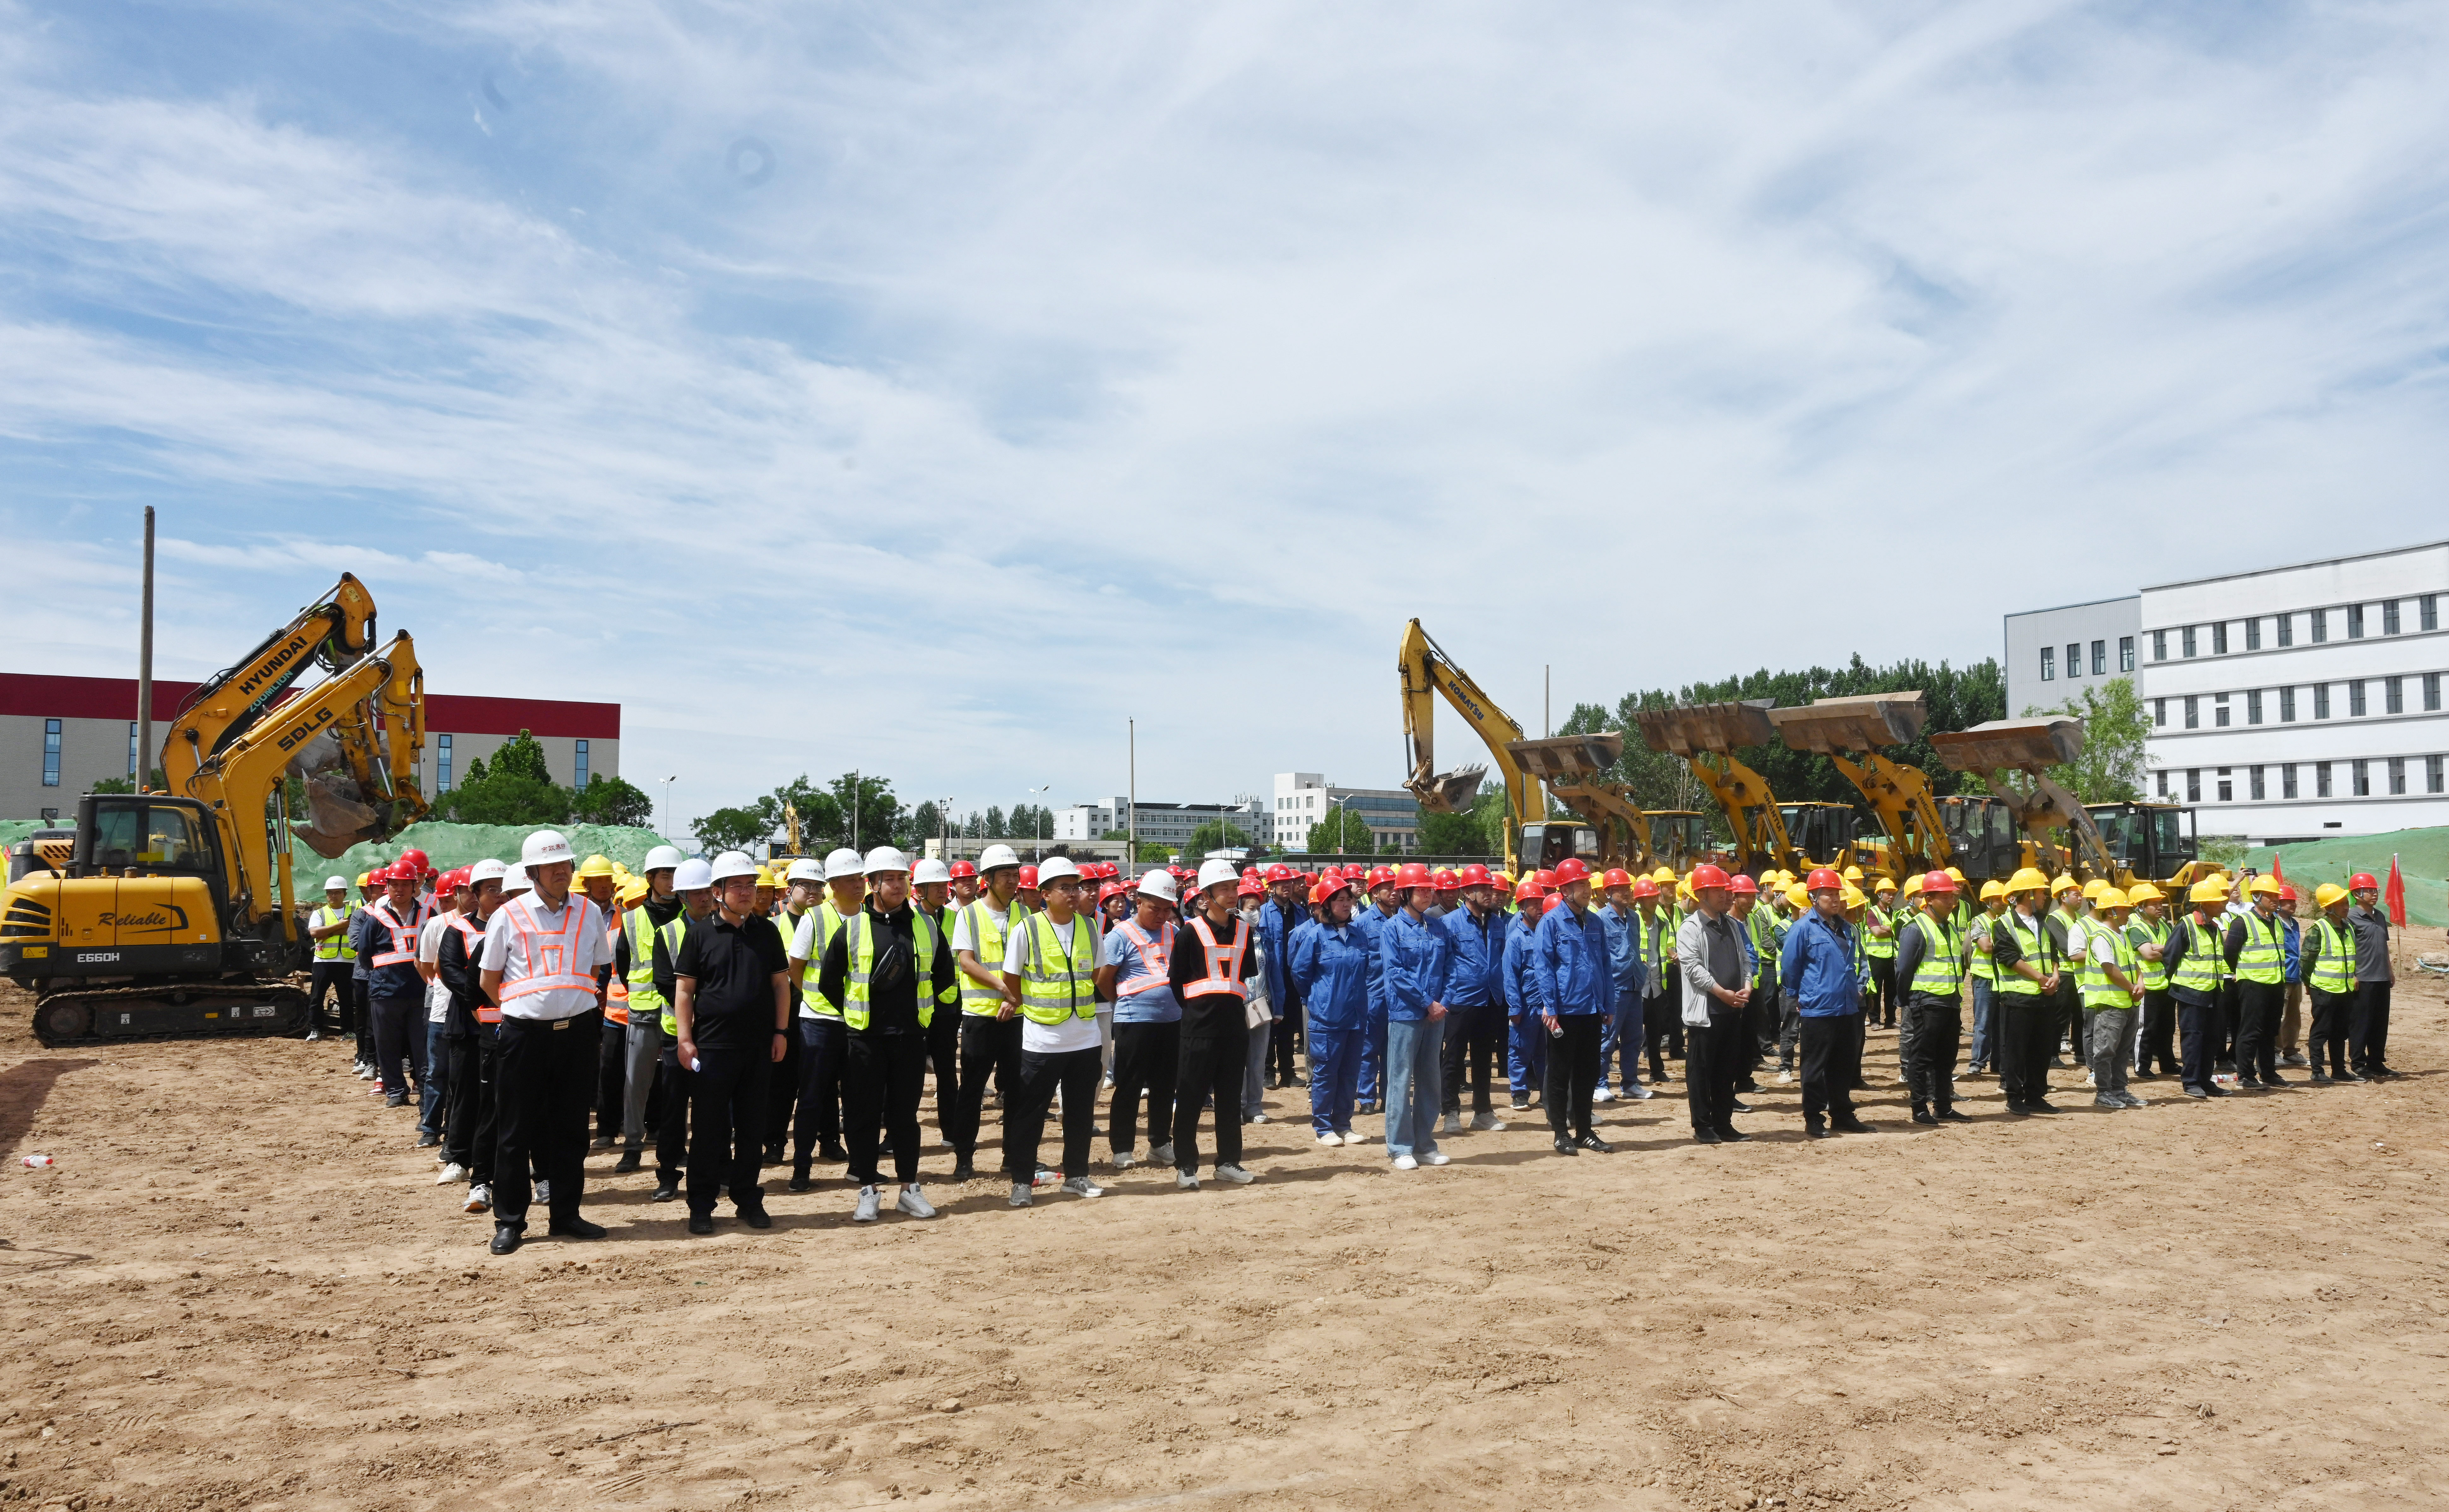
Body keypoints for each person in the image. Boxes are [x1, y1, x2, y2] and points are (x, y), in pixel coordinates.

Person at [477, 830, 614, 1255]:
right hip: (523, 1037)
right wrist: (529, 1012)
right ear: (533, 871)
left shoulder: (590, 913)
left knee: (572, 1129)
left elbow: (600, 970)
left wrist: (572, 1007)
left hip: (575, 1034)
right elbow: (488, 980)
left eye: (567, 866)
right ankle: (511, 1221)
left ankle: (566, 1215)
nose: (562, 873)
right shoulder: (510, 915)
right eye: (554, 867)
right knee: (515, 1129)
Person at [814, 847, 958, 1222]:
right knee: (862, 1116)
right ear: (872, 884)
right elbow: (829, 982)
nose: (897, 885)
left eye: (902, 878)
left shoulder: (926, 926)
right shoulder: (853, 928)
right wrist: (854, 1016)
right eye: (889, 879)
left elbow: (944, 975)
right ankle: (867, 1189)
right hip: (864, 1040)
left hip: (910, 1038)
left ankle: (909, 1189)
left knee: (905, 1116)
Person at [669, 852, 791, 1234]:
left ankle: (747, 1199)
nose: (746, 891)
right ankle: (701, 1205)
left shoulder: (767, 932)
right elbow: (685, 990)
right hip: (712, 1049)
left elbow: (780, 985)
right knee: (709, 1130)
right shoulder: (700, 933)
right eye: (736, 885)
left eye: (750, 885)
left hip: (757, 1048)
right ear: (717, 892)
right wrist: (684, 1039)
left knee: (753, 1128)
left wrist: (781, 1032)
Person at [998, 855, 1106, 1206]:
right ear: (1045, 893)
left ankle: (1076, 1174)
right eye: (1065, 888)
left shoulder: (1090, 927)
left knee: (1079, 1112)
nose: (1074, 894)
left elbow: (1097, 974)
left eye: (1076, 887)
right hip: (1043, 1040)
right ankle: (1021, 1180)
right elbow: (1011, 978)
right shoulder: (1026, 929)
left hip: (1085, 1037)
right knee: (1030, 1113)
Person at [1166, 859, 1262, 1190]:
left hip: (1234, 1027)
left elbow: (1244, 976)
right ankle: (1187, 1166)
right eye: (1224, 888)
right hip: (1198, 1028)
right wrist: (1196, 1014)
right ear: (1206, 895)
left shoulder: (1245, 931)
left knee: (1229, 1097)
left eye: (1234, 887)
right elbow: (1177, 980)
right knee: (1191, 1097)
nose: (1232, 893)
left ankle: (1228, 1162)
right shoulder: (1190, 932)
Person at [784, 848, 867, 1190]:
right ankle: (801, 1168)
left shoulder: (870, 917)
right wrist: (816, 999)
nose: (859, 886)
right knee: (812, 1097)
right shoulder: (814, 918)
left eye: (861, 879)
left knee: (860, 1098)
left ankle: (861, 1166)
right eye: (850, 880)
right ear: (833, 884)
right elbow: (795, 967)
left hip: (859, 1022)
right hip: (819, 1021)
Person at [946, 844, 1028, 1184]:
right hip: (980, 1016)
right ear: (988, 879)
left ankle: (1013, 1155)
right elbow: (966, 961)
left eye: (1015, 875)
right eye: (1005, 876)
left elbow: (1031, 964)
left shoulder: (1024, 916)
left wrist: (1015, 997)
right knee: (972, 1090)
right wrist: (1003, 989)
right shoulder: (969, 914)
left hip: (1018, 1016)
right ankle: (964, 1156)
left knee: (1016, 1089)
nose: (1013, 881)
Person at [1098, 869, 1180, 1168]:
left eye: (1166, 909)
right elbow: (1104, 979)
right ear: (1139, 902)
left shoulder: (1175, 934)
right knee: (1129, 1085)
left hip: (1172, 1022)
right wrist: (1124, 1003)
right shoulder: (1120, 936)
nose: (1160, 915)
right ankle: (1122, 1148)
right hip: (1134, 1022)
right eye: (1154, 908)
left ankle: (1160, 1143)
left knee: (1164, 1086)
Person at [436, 861, 506, 1206]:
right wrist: (478, 1003)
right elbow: (452, 972)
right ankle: (459, 1158)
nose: (499, 894)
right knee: (466, 1093)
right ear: (475, 895)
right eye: (490, 888)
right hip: (468, 1025)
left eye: (502, 887)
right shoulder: (458, 930)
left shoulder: (518, 926)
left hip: (510, 1026)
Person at [648, 859, 718, 1202]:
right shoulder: (668, 933)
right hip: (677, 1035)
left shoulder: (727, 928)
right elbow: (665, 983)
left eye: (709, 891)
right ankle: (668, 1173)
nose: (705, 898)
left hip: (717, 1035)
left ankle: (714, 1170)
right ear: (683, 897)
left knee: (715, 1109)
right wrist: (710, 1001)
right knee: (674, 1108)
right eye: (698, 892)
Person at [1532, 858, 1612, 1155]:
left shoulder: (1595, 922)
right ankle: (1560, 1133)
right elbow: (1544, 967)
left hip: (1592, 1010)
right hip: (1564, 1011)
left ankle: (1584, 1132)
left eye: (1588, 884)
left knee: (1588, 1072)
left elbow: (1605, 965)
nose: (1588, 890)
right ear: (1565, 889)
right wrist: (1551, 1008)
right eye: (1581, 885)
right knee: (1560, 1072)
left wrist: (1608, 1003)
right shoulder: (1551, 923)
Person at [1777, 869, 1863, 1138]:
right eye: (1829, 894)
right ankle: (1814, 1118)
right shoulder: (1802, 929)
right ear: (1814, 897)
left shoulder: (1848, 929)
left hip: (1847, 1007)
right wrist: (1799, 997)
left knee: (1843, 1064)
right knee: (1814, 1067)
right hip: (1818, 1007)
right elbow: (1790, 967)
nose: (1835, 899)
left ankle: (1842, 1114)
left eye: (1837, 893)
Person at [1291, 871, 1373, 1146]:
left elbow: (1366, 972)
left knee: (1351, 1073)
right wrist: (1320, 1000)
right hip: (1327, 1019)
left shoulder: (1359, 936)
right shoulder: (1315, 937)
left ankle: (1344, 1124)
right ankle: (1323, 1128)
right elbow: (1301, 975)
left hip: (1356, 1017)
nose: (1346, 904)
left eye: (1349, 899)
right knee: (1326, 1073)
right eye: (1339, 900)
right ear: (1326, 904)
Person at [1379, 862, 1451, 1170]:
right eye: (1421, 890)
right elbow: (1395, 973)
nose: (1428, 894)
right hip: (1406, 1013)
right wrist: (1426, 1003)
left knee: (1430, 1080)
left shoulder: (1438, 927)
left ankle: (1424, 1144)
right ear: (1405, 893)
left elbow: (1451, 966)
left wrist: (1443, 1001)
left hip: (1436, 1015)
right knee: (1399, 1080)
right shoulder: (1391, 929)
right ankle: (1399, 1147)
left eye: (1429, 889)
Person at [1675, 864, 1754, 1144]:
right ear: (1702, 894)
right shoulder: (1690, 928)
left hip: (1732, 1009)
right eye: (1719, 890)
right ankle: (1703, 1125)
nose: (1725, 895)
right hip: (1706, 1011)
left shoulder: (1733, 925)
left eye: (1725, 890)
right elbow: (1693, 968)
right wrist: (1722, 993)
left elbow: (1745, 960)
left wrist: (1747, 986)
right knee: (1701, 1071)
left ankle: (1724, 1124)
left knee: (1726, 1069)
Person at [352, 864, 434, 1113]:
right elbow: (365, 954)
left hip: (421, 991)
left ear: (415, 887)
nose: (400, 889)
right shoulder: (375, 919)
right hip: (385, 992)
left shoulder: (428, 915)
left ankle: (424, 1087)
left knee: (422, 1045)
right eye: (395, 885)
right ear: (387, 888)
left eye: (405, 884)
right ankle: (396, 1091)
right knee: (387, 1045)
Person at [1892, 870, 1969, 1124]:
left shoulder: (1948, 927)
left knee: (1947, 1058)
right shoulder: (1916, 928)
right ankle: (1919, 1108)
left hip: (1950, 1001)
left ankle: (1943, 1106)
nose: (1952, 902)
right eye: (1946, 897)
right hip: (1927, 1002)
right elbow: (1904, 969)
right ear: (1930, 898)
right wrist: (1906, 999)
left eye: (1953, 897)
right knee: (1922, 1056)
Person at [1437, 863, 1509, 1133]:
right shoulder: (1449, 924)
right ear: (1467, 892)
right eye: (1483, 889)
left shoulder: (1499, 923)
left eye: (1490, 889)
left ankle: (1483, 1111)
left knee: (1482, 1058)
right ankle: (1451, 1112)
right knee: (1454, 1058)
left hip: (1491, 999)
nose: (1490, 894)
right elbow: (1443, 964)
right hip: (1460, 999)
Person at [1987, 868, 2062, 1114]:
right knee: (2016, 1051)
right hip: (2018, 998)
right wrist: (2042, 978)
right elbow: (2008, 958)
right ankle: (2014, 1097)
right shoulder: (2004, 925)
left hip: (2045, 997)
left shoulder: (2044, 922)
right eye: (2041, 892)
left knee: (2041, 1050)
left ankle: (2035, 1096)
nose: (2045, 896)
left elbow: (2053, 953)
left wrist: (2055, 976)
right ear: (2029, 894)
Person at [2161, 878, 2233, 1100]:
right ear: (2204, 904)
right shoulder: (2186, 926)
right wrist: (2178, 986)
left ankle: (2205, 1080)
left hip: (2212, 992)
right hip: (2191, 994)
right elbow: (2170, 958)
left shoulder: (2213, 927)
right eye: (2218, 902)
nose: (2223, 905)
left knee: (2212, 1039)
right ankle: (2191, 1082)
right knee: (2193, 1039)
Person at [2078, 887, 2146, 1109]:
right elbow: (2109, 968)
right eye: (2124, 909)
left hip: (2127, 1001)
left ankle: (2119, 1090)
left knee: (2122, 1051)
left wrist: (2140, 982)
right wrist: (2131, 987)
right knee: (2106, 1050)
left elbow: (2133, 963)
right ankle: (2104, 1092)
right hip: (2111, 1003)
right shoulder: (2101, 936)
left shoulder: (2122, 934)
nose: (2128, 913)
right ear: (2112, 912)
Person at [2224, 875, 2290, 1090]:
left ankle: (2269, 1073)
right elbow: (2230, 952)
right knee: (2250, 1030)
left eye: (2276, 896)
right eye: (2270, 896)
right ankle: (2245, 1075)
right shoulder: (2242, 921)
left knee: (2270, 1031)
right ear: (2257, 897)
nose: (2275, 900)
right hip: (2253, 984)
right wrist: (2240, 972)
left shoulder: (2277, 922)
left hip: (2276, 984)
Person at [1351, 867, 1402, 1116]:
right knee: (1369, 1049)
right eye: (1387, 888)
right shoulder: (1362, 923)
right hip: (1373, 995)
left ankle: (1390, 1096)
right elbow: (1358, 963)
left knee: (1394, 1051)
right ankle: (1367, 1098)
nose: (1393, 892)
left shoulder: (1403, 919)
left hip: (1399, 996)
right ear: (1373, 894)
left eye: (1395, 887)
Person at [2299, 883, 2359, 1082]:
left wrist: (2354, 976)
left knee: (2341, 1032)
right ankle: (2317, 1071)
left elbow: (2351, 958)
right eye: (2341, 904)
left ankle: (2339, 1071)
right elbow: (2306, 962)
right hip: (2324, 990)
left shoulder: (2348, 927)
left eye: (2346, 903)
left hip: (2345, 989)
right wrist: (2310, 984)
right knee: (2321, 1031)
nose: (2346, 907)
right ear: (2329, 907)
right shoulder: (2318, 929)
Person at [1257, 865, 1308, 1091]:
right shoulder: (1263, 913)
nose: (1286, 887)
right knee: (1270, 1026)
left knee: (1288, 1027)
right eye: (1281, 884)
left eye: (1289, 883)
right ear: (1272, 888)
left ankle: (1287, 1073)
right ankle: (1268, 1072)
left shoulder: (1299, 912)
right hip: (1270, 977)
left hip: (1293, 978)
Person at [1501, 877, 1549, 1107]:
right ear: (1522, 907)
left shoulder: (1546, 933)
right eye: (1533, 904)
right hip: (1526, 1006)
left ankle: (1546, 1094)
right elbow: (1510, 976)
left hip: (1546, 1005)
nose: (1539, 908)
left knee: (1545, 1054)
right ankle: (1519, 1093)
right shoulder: (1516, 939)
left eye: (1541, 903)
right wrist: (1515, 1007)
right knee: (1520, 1050)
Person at [2345, 871, 2395, 1077]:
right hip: (2363, 978)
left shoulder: (2381, 916)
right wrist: (2352, 974)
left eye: (2376, 891)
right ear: (2357, 894)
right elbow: (2346, 948)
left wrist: (2390, 971)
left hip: (2382, 977)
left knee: (2380, 1023)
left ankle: (2376, 1062)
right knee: (2361, 1023)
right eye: (2370, 891)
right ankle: (2358, 1064)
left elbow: (2383, 946)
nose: (2374, 894)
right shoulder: (2350, 918)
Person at [2124, 883, 2177, 1080]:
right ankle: (2142, 1066)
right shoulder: (2137, 928)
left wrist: (2162, 949)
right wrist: (2168, 950)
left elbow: (2174, 949)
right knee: (2145, 1028)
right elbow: (2148, 954)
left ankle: (2168, 1064)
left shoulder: (2164, 925)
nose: (2160, 907)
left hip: (2166, 985)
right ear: (2141, 907)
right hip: (2148, 986)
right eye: (2154, 904)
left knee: (2167, 1028)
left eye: (2160, 903)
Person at [1633, 877, 1676, 1085]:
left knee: (1655, 1033)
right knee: (1633, 1036)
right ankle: (1631, 1075)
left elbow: (1663, 952)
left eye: (1654, 897)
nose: (1653, 900)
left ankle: (1657, 1071)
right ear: (1640, 900)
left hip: (1657, 986)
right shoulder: (1633, 921)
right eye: (1648, 898)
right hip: (1639, 987)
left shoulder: (1662, 924)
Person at [305, 875, 358, 1042]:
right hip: (324, 961)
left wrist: (327, 932)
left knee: (347, 999)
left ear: (345, 894)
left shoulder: (354, 912)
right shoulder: (319, 912)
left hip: (347, 961)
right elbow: (314, 933)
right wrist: (340, 926)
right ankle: (315, 1030)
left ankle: (348, 1030)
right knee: (317, 997)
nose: (333, 896)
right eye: (330, 893)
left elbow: (354, 931)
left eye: (337, 893)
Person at [1964, 879, 2007, 1076]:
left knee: (2001, 1025)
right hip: (1985, 980)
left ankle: (1998, 1063)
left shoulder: (2006, 921)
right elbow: (1986, 947)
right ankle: (1978, 1062)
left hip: (2004, 980)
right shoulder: (1978, 921)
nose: (2004, 903)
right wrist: (2007, 945)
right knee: (1983, 1023)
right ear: (1988, 901)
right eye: (1999, 899)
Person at [1862, 877, 1900, 1030]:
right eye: (1888, 894)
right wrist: (1893, 930)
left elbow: (1900, 930)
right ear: (1880, 895)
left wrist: (1889, 928)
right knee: (1875, 990)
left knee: (1892, 990)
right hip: (1876, 956)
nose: (1891, 897)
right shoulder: (1872, 912)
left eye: (1893, 894)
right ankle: (1875, 1020)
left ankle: (1891, 1020)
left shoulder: (1895, 913)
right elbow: (1877, 932)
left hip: (1892, 957)